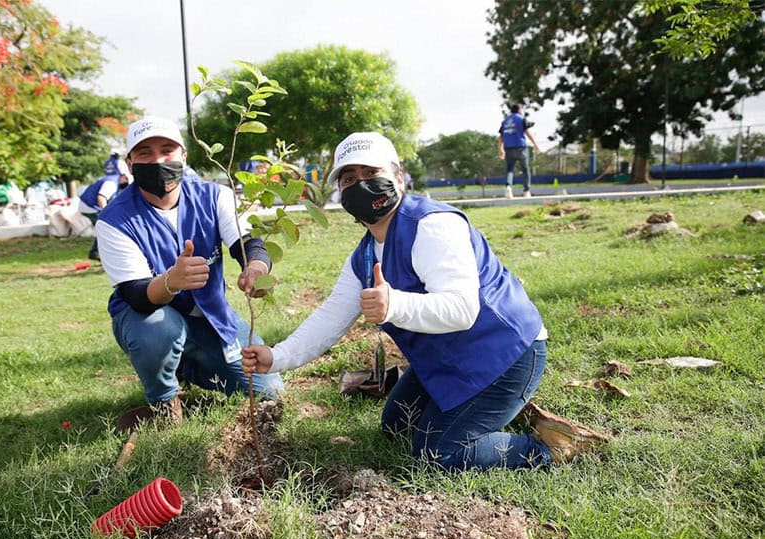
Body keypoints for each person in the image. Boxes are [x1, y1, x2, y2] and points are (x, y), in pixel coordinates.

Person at [242, 131, 608, 470]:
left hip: (505, 355)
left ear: (399, 178)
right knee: (396, 427)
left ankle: (551, 448)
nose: (360, 184)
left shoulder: (432, 226)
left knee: (437, 453)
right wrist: (277, 356)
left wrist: (395, 305)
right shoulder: (365, 256)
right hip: (447, 356)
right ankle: (499, 412)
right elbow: (330, 318)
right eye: (349, 178)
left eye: (371, 172)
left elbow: (463, 310)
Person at [96, 116, 284, 423]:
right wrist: (172, 281)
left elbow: (249, 244)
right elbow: (137, 295)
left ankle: (187, 365)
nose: (158, 160)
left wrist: (256, 269)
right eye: (144, 153)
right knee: (160, 331)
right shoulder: (114, 220)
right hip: (148, 318)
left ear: (184, 156)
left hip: (209, 318)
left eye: (167, 150)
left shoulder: (215, 196)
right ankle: (164, 401)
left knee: (270, 391)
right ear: (130, 163)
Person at [78, 157, 132, 260]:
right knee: (107, 227)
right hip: (90, 207)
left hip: (87, 206)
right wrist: (106, 213)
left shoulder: (111, 178)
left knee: (103, 228)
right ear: (124, 176)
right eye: (126, 181)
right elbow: (101, 197)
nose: (126, 184)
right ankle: (100, 252)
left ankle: (95, 252)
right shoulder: (112, 183)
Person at [498, 104, 541, 198]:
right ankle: (526, 191)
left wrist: (500, 149)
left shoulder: (505, 121)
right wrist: (535, 144)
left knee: (510, 170)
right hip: (521, 147)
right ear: (519, 110)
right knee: (525, 169)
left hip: (508, 148)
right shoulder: (521, 119)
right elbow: (527, 132)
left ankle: (508, 186)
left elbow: (501, 137)